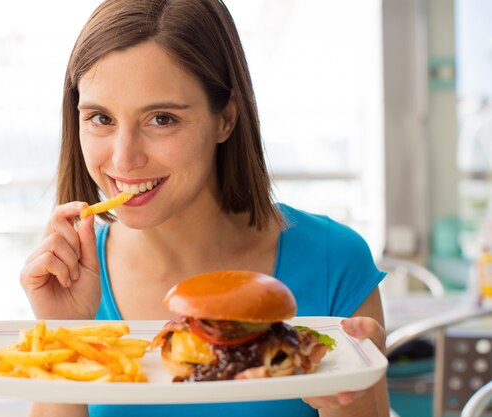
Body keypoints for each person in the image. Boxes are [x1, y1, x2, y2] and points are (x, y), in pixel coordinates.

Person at [20, 0, 389, 416]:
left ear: (225, 118)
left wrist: (345, 397)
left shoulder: (334, 261)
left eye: (161, 119)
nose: (123, 160)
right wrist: (62, 333)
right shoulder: (75, 278)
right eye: (101, 118)